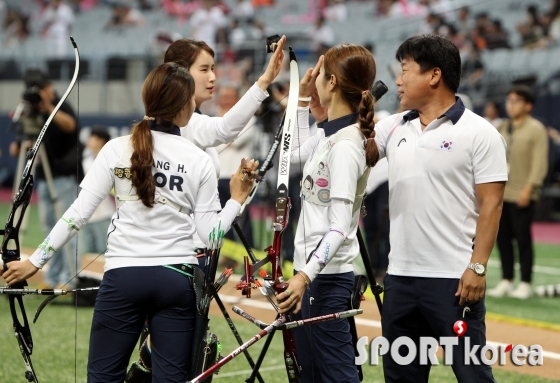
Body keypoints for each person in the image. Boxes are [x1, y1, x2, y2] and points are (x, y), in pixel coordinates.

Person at [2, 62, 258, 383]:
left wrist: (35, 262)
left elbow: (77, 213)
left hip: (123, 278)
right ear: (182, 107)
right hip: (176, 281)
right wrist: (237, 198)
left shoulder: (116, 148)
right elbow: (211, 237)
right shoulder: (199, 159)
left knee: (104, 378)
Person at [374, 35, 506, 382]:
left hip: (453, 281)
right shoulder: (392, 126)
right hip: (400, 278)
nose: (398, 80)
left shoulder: (480, 132)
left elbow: (491, 203)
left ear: (434, 76)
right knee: (401, 377)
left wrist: (477, 267)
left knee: (472, 374)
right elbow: (359, 152)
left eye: (404, 71)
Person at [277, 43, 380, 382]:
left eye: (320, 73)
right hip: (312, 277)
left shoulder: (347, 146)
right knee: (310, 376)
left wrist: (304, 276)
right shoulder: (330, 136)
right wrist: (304, 102)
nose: (315, 77)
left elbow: (338, 229)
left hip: (326, 280)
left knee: (337, 377)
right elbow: (291, 156)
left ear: (332, 81)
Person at [9, 68, 82, 289]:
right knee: (50, 228)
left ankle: (70, 279)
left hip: (65, 176)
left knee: (68, 227)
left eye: (47, 89)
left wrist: (48, 108)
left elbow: (71, 126)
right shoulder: (31, 111)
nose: (48, 92)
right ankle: (52, 279)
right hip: (44, 177)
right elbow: (16, 148)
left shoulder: (60, 104)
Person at [488, 85, 549, 299]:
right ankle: (506, 280)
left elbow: (539, 163)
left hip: (522, 193)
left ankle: (524, 282)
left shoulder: (536, 129)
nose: (510, 105)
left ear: (528, 105)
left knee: (523, 240)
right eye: (509, 101)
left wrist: (530, 188)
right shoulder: (502, 127)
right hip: (500, 194)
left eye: (516, 101)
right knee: (502, 239)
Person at [78, 126, 114, 256]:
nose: (89, 140)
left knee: (104, 252)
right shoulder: (85, 162)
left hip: (103, 215)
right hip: (88, 216)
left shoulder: (110, 161)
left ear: (101, 141)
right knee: (89, 253)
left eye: (93, 137)